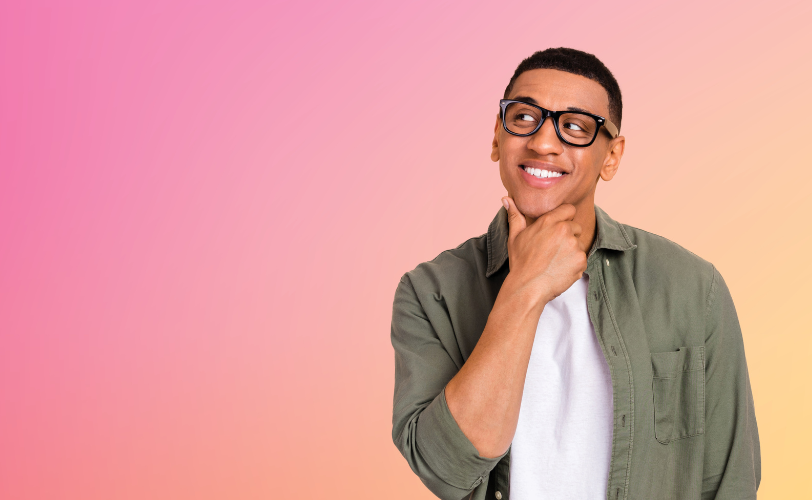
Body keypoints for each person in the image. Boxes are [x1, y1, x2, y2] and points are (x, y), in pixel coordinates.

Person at [390, 47, 760, 500]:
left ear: (612, 156)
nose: (543, 142)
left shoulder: (692, 288)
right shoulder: (431, 293)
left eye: (575, 127)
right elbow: (445, 470)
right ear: (496, 137)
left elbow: (731, 481)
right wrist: (524, 289)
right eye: (524, 118)